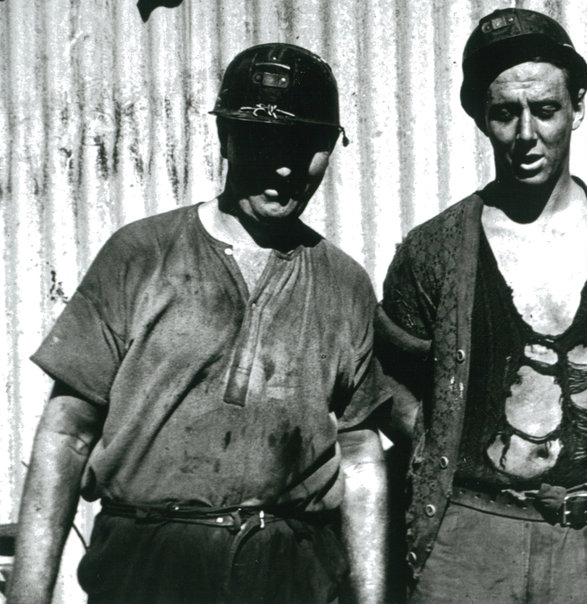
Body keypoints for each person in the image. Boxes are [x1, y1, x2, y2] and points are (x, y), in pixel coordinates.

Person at [8, 43, 388, 604]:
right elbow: (67, 434)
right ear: (226, 140)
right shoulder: (140, 255)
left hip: (293, 571)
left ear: (329, 150)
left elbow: (358, 456)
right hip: (149, 565)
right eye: (263, 142)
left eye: (305, 146)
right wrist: (26, 597)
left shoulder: (344, 283)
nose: (284, 166)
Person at [376, 8, 587, 603]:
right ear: (479, 116)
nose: (526, 135)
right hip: (469, 540)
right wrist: (448, 445)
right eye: (504, 113)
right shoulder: (433, 249)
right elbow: (391, 379)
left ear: (576, 107)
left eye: (545, 110)